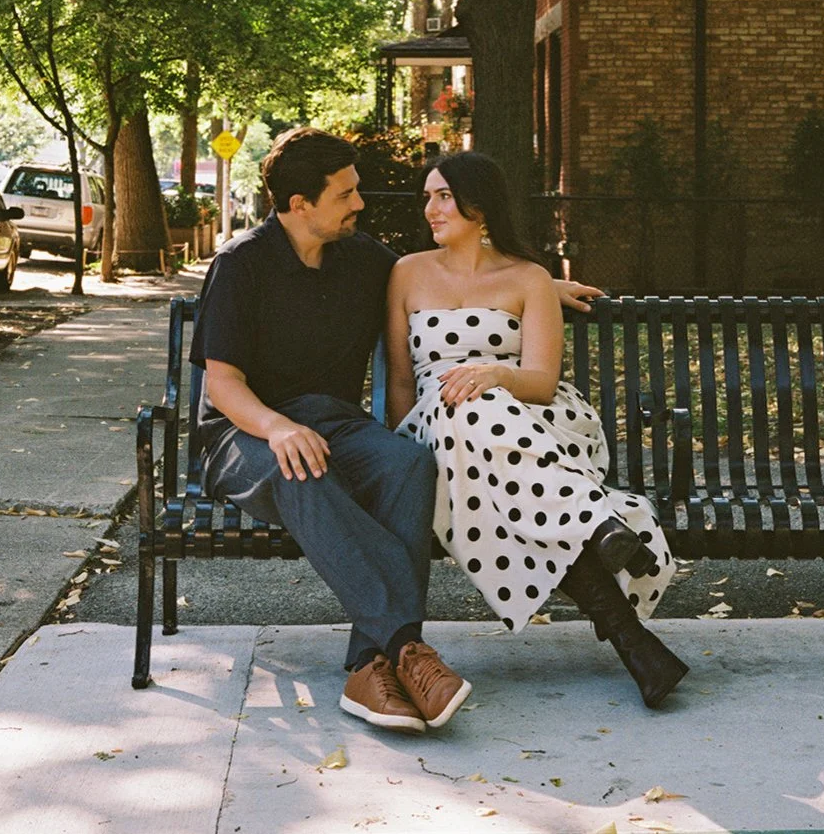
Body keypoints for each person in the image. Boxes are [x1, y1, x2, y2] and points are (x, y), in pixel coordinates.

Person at [190, 127, 601, 736]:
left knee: (408, 463)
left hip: (333, 424)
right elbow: (222, 385)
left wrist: (542, 285)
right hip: (243, 431)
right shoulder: (241, 263)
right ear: (299, 204)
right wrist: (277, 428)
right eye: (346, 194)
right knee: (301, 465)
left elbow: (455, 280)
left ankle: (368, 665)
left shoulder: (360, 256)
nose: (360, 203)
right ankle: (407, 647)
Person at [385, 151, 688, 709]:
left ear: (480, 206)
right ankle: (603, 542)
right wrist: (395, 453)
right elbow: (403, 382)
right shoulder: (407, 272)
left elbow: (543, 382)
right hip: (437, 432)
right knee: (463, 406)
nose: (430, 208)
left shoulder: (527, 279)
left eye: (443, 195)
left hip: (533, 432)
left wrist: (493, 373)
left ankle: (635, 638)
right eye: (427, 196)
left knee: (482, 418)